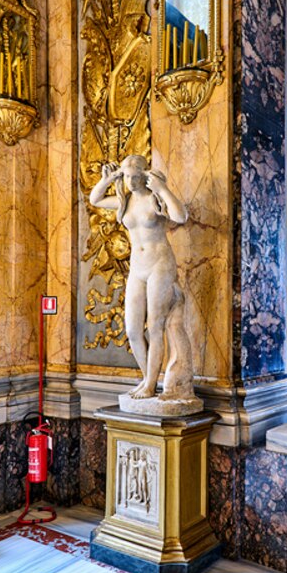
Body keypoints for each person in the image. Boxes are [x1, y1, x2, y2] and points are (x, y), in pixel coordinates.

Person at [89, 154, 194, 401]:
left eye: (135, 176)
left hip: (160, 265)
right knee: (133, 329)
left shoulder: (154, 198)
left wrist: (162, 188)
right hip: (137, 268)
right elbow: (95, 199)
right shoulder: (125, 200)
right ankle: (147, 378)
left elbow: (181, 216)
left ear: (144, 175)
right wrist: (108, 179)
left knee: (155, 326)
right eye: (126, 176)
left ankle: (150, 385)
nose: (130, 181)